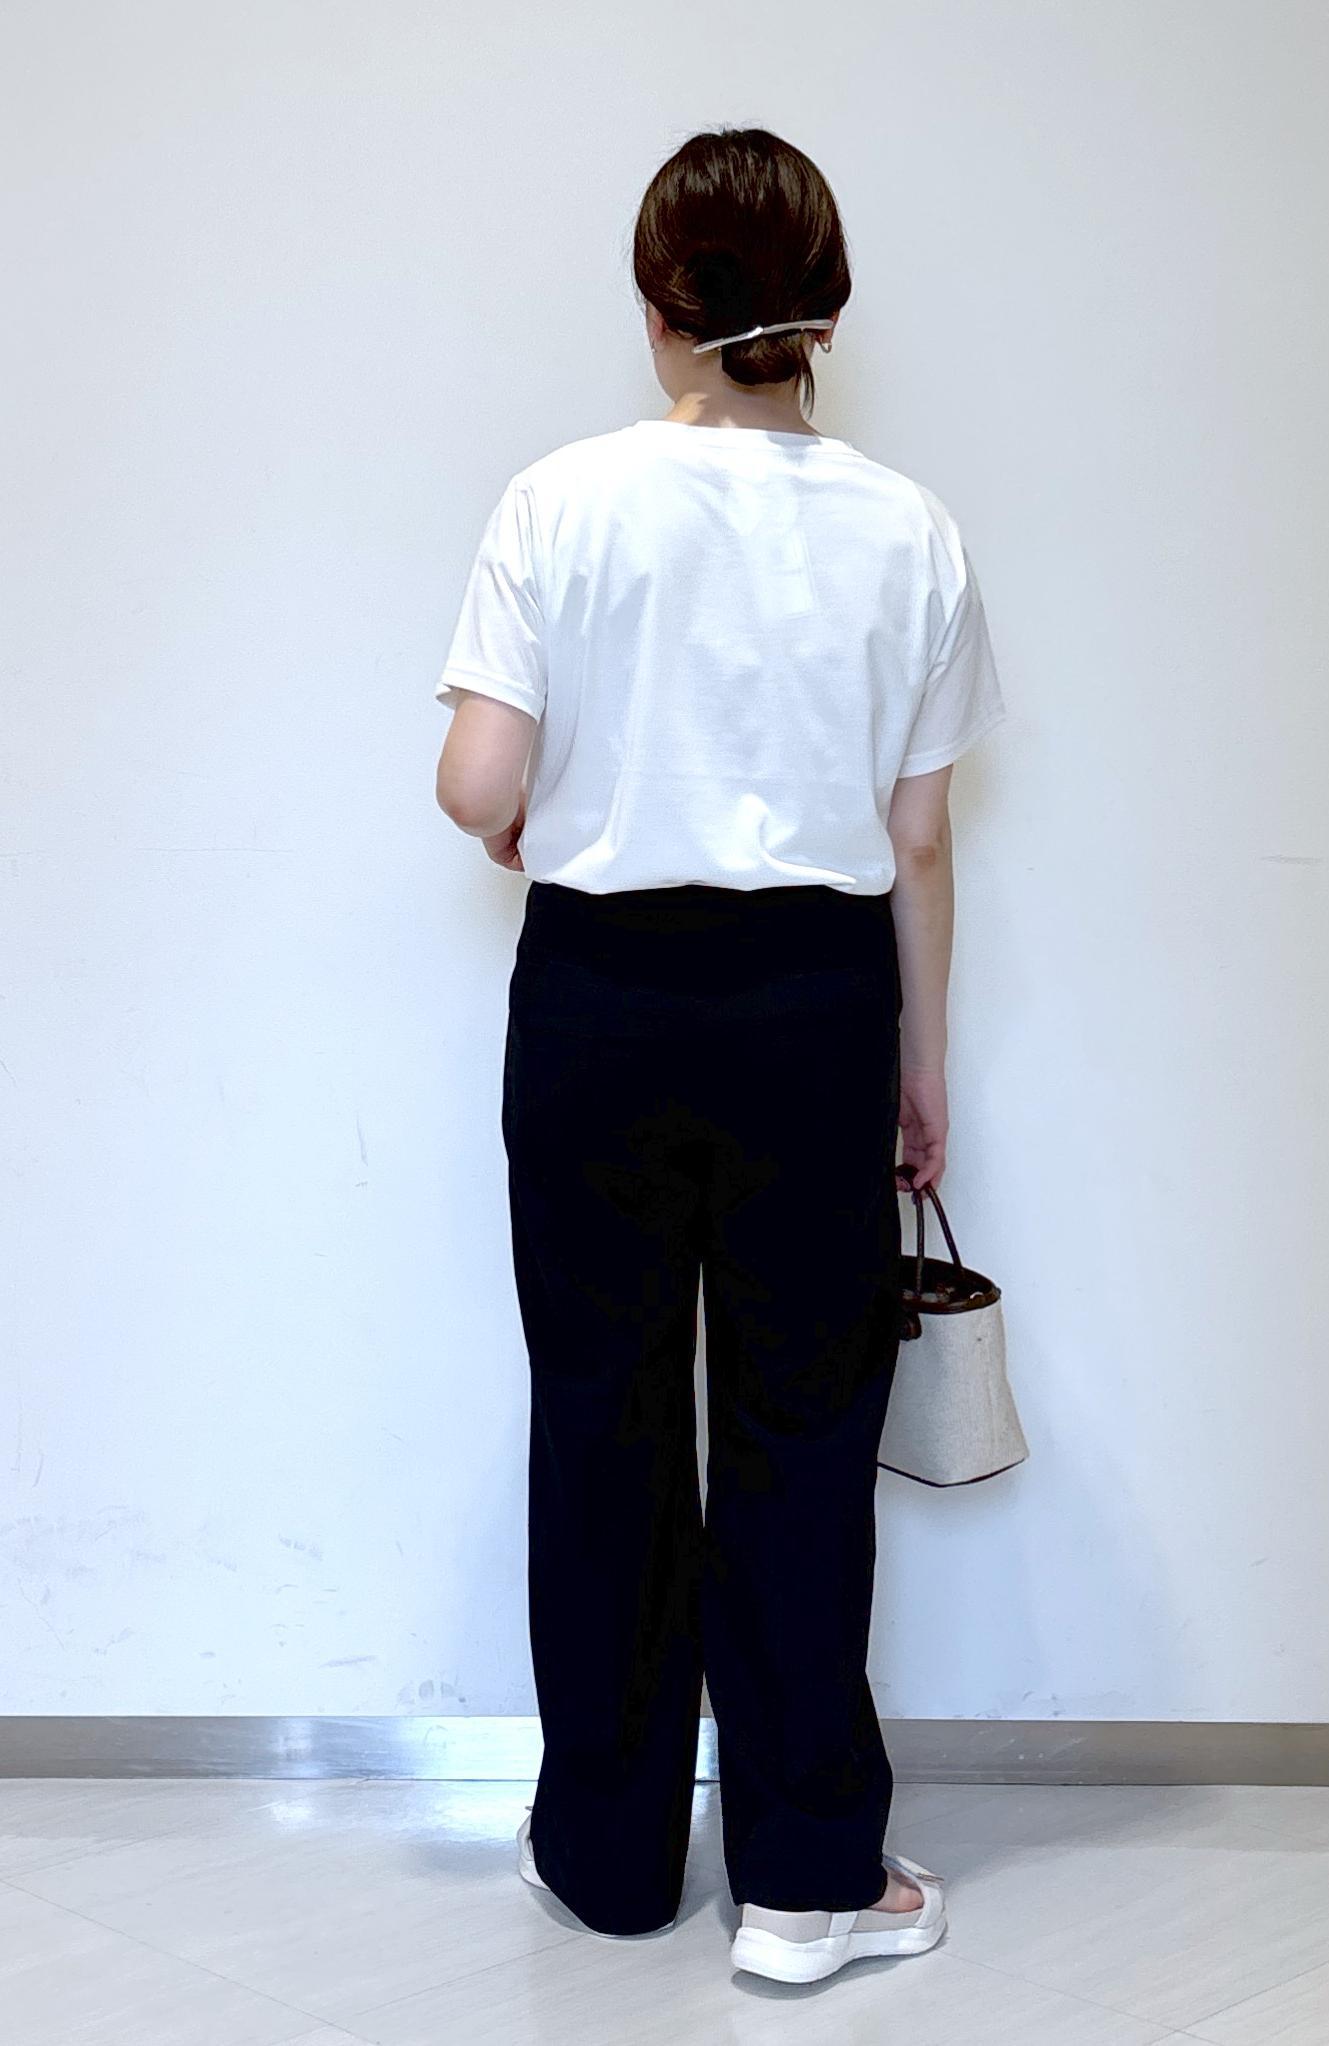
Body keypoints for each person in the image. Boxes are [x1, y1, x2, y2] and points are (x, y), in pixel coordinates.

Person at [432, 125, 1006, 1985]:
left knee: (599, 1416)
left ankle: (608, 1861)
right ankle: (807, 1882)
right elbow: (917, 842)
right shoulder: (908, 529)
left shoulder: (558, 501)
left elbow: (478, 785)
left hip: (596, 1003)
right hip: (812, 1010)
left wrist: (545, 819)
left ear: (657, 305)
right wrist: (921, 1065)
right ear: (824, 311)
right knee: (799, 1435)